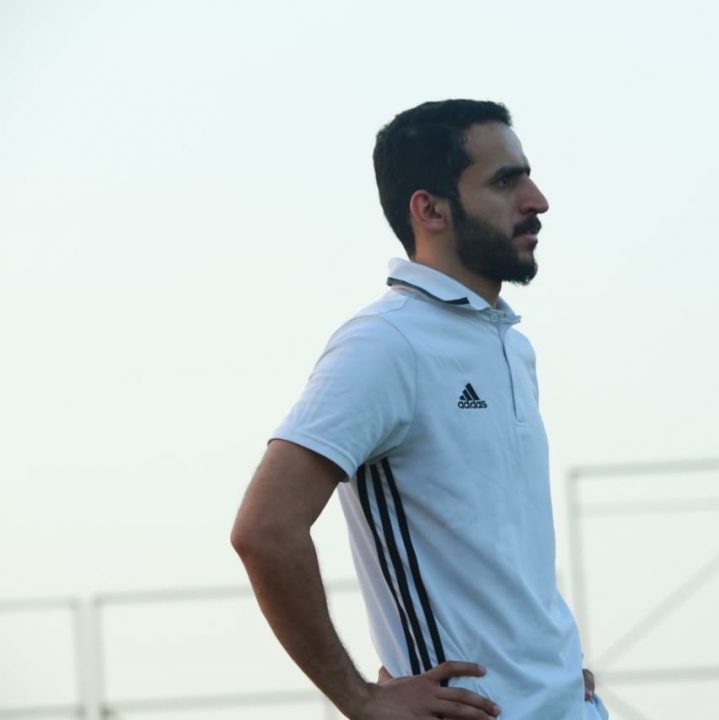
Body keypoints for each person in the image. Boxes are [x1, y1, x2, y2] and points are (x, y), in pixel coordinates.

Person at [231, 99, 607, 719]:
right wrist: (360, 699)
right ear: (429, 209)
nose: (536, 200)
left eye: (528, 177)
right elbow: (265, 530)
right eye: (505, 181)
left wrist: (551, 668)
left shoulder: (511, 345)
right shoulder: (386, 343)